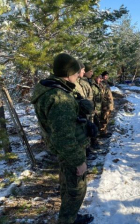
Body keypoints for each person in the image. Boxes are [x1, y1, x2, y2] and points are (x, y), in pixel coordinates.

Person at [31, 53, 94, 224]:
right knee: (76, 190)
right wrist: (79, 161)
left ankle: (70, 217)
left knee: (68, 187)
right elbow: (64, 138)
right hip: (70, 151)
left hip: (64, 150)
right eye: (75, 72)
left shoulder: (51, 88)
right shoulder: (59, 98)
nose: (77, 76)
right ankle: (67, 220)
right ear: (68, 73)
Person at [74, 61, 98, 159]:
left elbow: (89, 96)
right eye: (83, 70)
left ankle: (87, 150)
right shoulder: (73, 83)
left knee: (88, 131)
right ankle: (84, 153)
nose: (84, 72)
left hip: (87, 111)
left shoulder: (82, 82)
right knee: (82, 133)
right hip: (80, 112)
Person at [83, 63, 102, 150]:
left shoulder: (88, 82)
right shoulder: (82, 82)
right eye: (90, 71)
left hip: (92, 110)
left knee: (94, 127)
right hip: (86, 111)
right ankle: (89, 147)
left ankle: (93, 143)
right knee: (88, 129)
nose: (92, 73)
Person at [99, 71, 114, 138]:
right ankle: (102, 132)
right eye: (104, 75)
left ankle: (104, 131)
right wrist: (104, 105)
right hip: (105, 105)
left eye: (107, 75)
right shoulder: (101, 83)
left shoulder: (106, 83)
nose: (106, 77)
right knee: (103, 119)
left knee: (106, 118)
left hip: (109, 104)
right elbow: (102, 96)